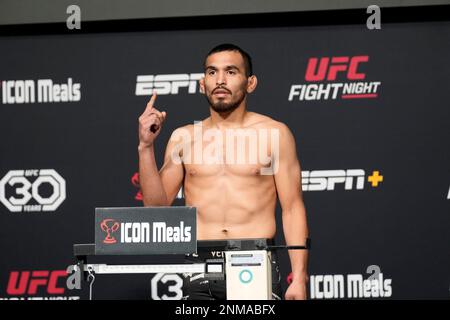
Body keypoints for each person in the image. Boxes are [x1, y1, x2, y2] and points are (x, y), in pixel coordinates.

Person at [138, 43, 309, 300]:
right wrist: (145, 147)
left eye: (231, 72)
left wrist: (299, 277)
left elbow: (293, 208)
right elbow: (155, 209)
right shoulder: (184, 137)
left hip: (255, 259)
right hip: (200, 263)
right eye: (212, 72)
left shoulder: (275, 134)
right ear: (201, 84)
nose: (220, 80)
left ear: (250, 83)